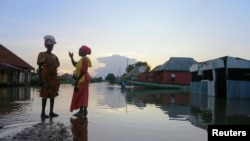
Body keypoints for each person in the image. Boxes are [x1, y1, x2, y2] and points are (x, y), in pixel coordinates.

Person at [37, 35, 60, 120]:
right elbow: (39, 67)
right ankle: (43, 113)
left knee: (52, 95)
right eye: (49, 45)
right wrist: (40, 79)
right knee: (45, 95)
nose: (51, 46)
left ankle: (51, 112)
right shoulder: (42, 54)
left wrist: (57, 80)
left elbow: (56, 67)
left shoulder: (55, 57)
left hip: (53, 79)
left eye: (52, 45)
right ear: (46, 45)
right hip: (45, 78)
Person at [69, 45, 92, 117]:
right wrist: (71, 57)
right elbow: (74, 64)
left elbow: (83, 71)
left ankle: (82, 111)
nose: (78, 51)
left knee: (81, 94)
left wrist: (77, 81)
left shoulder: (85, 59)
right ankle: (84, 111)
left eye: (80, 50)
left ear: (83, 52)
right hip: (83, 79)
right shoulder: (81, 60)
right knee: (83, 94)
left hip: (83, 79)